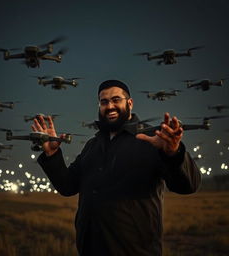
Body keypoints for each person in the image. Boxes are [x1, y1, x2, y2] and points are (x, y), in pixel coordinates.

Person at [32, 79, 201, 256]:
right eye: (104, 102)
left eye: (116, 99)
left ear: (130, 103)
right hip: (90, 250)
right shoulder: (92, 146)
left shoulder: (153, 139)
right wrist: (52, 155)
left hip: (135, 251)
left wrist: (173, 153)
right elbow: (67, 187)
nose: (110, 106)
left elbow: (188, 186)